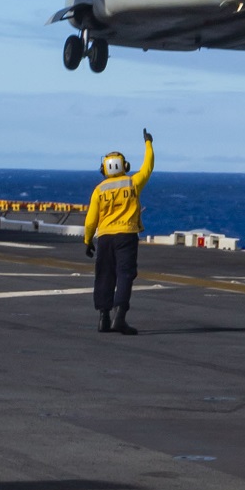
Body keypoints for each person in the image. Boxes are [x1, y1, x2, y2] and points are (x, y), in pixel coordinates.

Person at [85, 129, 154, 336]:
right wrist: (148, 144)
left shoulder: (99, 190)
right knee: (125, 275)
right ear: (125, 166)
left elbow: (91, 219)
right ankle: (120, 317)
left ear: (103, 169)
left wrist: (88, 240)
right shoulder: (132, 183)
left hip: (105, 237)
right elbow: (148, 167)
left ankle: (103, 318)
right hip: (126, 235)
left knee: (104, 275)